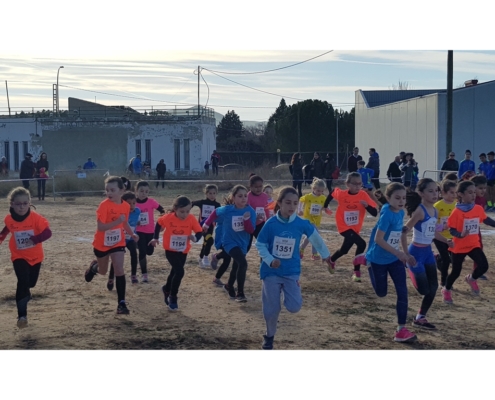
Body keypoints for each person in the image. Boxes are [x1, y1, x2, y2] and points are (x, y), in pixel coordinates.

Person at [255, 186, 334, 350]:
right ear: (280, 203)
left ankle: (286, 292)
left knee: (294, 307)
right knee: (272, 309)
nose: (291, 206)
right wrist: (270, 260)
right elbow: (260, 244)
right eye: (288, 202)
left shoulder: (301, 223)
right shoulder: (270, 224)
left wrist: (326, 256)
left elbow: (316, 239)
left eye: (295, 203)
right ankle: (269, 336)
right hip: (270, 272)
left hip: (291, 271)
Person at [360, 182, 417, 343]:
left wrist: (406, 254)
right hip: (378, 259)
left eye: (403, 198)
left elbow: (400, 234)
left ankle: (401, 329)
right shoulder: (387, 215)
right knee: (381, 293)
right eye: (397, 198)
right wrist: (399, 252)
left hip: (394, 259)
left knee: (402, 291)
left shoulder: (400, 213)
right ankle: (367, 261)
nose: (401, 201)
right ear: (388, 198)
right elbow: (379, 239)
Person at [402, 178, 452, 331]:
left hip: (428, 253)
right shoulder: (419, 211)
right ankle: (409, 268)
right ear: (421, 193)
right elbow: (403, 232)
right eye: (430, 191)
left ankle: (420, 317)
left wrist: (446, 241)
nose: (435, 194)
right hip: (415, 254)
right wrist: (405, 255)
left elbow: (434, 232)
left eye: (436, 190)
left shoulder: (435, 210)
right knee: (424, 290)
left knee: (434, 287)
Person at [84, 176, 139, 315]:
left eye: (112, 190)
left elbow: (124, 222)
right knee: (103, 271)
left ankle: (121, 304)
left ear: (122, 190)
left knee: (119, 269)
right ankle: (93, 268)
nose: (109, 193)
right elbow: (101, 227)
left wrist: (132, 234)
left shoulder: (126, 206)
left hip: (118, 241)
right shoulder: (104, 205)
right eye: (107, 190)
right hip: (102, 243)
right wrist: (117, 222)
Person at [0, 187, 52, 328]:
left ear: (29, 203)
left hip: (35, 257)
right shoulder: (9, 218)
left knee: (30, 284)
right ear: (12, 204)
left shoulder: (36, 218)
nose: (21, 207)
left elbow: (48, 233)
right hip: (18, 255)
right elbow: (7, 229)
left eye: (24, 203)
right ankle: (22, 316)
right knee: (22, 281)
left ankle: (26, 295)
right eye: (18, 204)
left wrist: (35, 239)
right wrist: (1, 238)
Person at [442, 181, 495, 304]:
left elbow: (486, 219)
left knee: (484, 266)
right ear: (460, 194)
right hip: (459, 247)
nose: (473, 195)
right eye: (470, 193)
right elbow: (452, 229)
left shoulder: (477, 208)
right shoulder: (456, 212)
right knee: (456, 272)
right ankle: (446, 289)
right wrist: (460, 235)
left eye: (474, 192)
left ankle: (471, 279)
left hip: (473, 244)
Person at [202, 185, 256, 302]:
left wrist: (246, 221)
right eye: (240, 196)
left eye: (245, 196)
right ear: (233, 197)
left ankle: (229, 285)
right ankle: (240, 293)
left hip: (243, 243)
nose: (243, 198)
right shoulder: (227, 210)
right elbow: (215, 212)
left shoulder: (250, 211)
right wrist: (206, 224)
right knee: (243, 263)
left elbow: (251, 231)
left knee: (237, 266)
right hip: (229, 242)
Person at [149, 196, 203, 311]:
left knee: (174, 271)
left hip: (183, 250)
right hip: (170, 250)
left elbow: (199, 231)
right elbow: (158, 223)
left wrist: (195, 238)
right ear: (175, 209)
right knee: (179, 271)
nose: (184, 214)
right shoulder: (168, 218)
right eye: (181, 212)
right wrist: (155, 238)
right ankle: (173, 297)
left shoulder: (191, 219)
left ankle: (166, 288)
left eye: (187, 211)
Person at [323, 172, 378, 282]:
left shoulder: (363, 195)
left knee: (344, 250)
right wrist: (325, 206)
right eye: (354, 184)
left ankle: (331, 260)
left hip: (355, 228)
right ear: (347, 184)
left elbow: (375, 213)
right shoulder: (342, 194)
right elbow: (333, 192)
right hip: (343, 226)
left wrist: (366, 206)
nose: (357, 186)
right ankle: (356, 272)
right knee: (361, 243)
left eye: (360, 184)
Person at [107, 191, 141, 290]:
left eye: (134, 203)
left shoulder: (138, 211)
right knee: (116, 260)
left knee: (134, 254)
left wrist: (136, 225)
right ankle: (111, 278)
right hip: (120, 239)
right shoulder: (120, 212)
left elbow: (137, 221)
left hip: (130, 238)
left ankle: (133, 275)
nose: (131, 205)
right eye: (129, 203)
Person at [134, 180, 165, 283]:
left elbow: (162, 210)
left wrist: (162, 223)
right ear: (136, 191)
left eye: (146, 191)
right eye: (141, 191)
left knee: (150, 252)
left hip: (150, 231)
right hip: (138, 231)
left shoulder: (151, 202)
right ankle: (144, 274)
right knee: (142, 252)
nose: (144, 193)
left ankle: (138, 245)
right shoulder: (133, 202)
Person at [433, 180, 457, 288]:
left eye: (455, 192)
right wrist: (442, 227)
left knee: (453, 259)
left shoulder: (457, 205)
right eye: (451, 192)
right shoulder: (437, 206)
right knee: (446, 260)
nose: (454, 195)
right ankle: (444, 281)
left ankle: (438, 259)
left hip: (452, 236)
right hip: (439, 237)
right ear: (443, 192)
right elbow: (431, 225)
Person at [191, 184, 221, 268]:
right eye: (210, 193)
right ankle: (206, 257)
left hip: (211, 227)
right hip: (201, 227)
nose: (212, 195)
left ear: (216, 194)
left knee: (206, 243)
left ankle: (200, 258)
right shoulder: (202, 202)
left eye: (214, 193)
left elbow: (221, 214)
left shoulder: (217, 205)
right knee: (210, 240)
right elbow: (192, 203)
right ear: (206, 194)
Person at [299, 178, 328, 261]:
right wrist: (299, 209)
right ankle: (314, 253)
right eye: (318, 191)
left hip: (316, 220)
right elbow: (301, 200)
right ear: (313, 189)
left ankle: (301, 248)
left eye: (322, 191)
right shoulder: (308, 197)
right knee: (315, 235)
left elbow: (326, 205)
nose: (320, 193)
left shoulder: (322, 198)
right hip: (308, 219)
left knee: (310, 236)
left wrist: (327, 209)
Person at [247, 174, 270, 252]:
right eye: (256, 187)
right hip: (249, 224)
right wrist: (253, 218)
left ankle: (263, 261)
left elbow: (266, 208)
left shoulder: (264, 196)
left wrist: (268, 220)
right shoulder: (248, 196)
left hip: (260, 223)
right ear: (250, 187)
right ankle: (240, 262)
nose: (258, 189)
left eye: (260, 186)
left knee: (264, 243)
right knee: (246, 246)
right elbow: (247, 210)